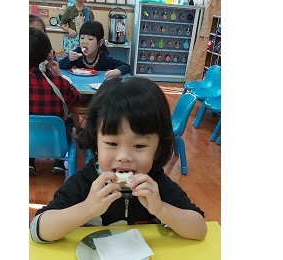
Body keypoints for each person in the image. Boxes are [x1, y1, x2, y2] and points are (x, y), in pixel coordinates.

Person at [30, 77, 207, 242]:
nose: (124, 157)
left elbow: (200, 229)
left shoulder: (156, 184)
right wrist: (87, 208)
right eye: (112, 143)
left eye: (139, 146)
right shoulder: (85, 182)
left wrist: (161, 208)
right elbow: (39, 229)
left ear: (158, 147)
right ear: (96, 142)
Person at [29, 27, 81, 176]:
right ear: (50, 55)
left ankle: (29, 160)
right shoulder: (61, 84)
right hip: (58, 145)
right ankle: (59, 163)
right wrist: (59, 75)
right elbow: (76, 98)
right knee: (66, 120)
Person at [58, 20, 131, 78]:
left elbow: (126, 67)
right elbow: (59, 66)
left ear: (100, 43)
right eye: (82, 38)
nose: (84, 42)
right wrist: (69, 59)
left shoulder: (103, 57)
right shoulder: (77, 53)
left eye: (90, 39)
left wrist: (117, 71)